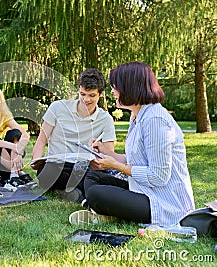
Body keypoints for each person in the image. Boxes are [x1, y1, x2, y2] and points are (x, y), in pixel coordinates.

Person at [70, 62, 195, 226]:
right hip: (142, 188)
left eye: (116, 87)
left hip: (162, 201)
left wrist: (116, 166)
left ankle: (105, 209)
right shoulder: (137, 115)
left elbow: (159, 176)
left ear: (130, 88)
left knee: (95, 194)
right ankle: (107, 210)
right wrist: (106, 153)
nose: (112, 91)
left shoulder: (155, 120)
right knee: (93, 176)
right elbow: (136, 159)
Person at [31, 68, 116, 203]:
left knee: (96, 176)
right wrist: (35, 160)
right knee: (45, 172)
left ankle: (66, 191)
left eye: (92, 95)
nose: (86, 99)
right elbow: (42, 140)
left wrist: (98, 155)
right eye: (82, 94)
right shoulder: (57, 108)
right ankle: (79, 190)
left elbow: (109, 155)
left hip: (83, 168)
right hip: (57, 166)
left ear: (101, 94)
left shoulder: (105, 119)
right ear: (78, 90)